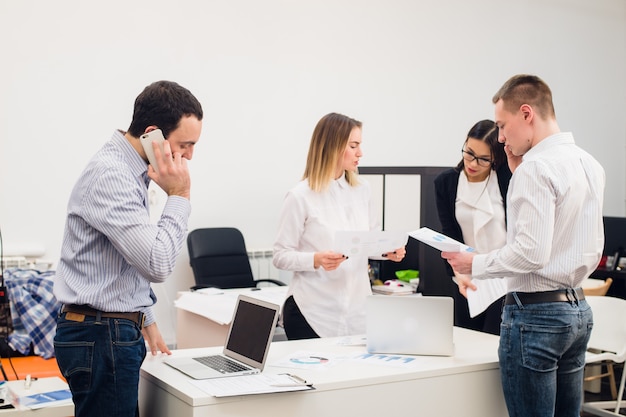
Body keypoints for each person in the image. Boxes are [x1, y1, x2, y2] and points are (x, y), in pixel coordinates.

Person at [442, 74, 605, 417]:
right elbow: (592, 248)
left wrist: (474, 264)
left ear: (526, 113)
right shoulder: (590, 164)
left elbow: (531, 253)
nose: (500, 136)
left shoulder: (537, 167)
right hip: (577, 310)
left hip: (536, 316)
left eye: (502, 125)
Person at [53, 80, 203, 417]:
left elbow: (121, 261)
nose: (190, 155)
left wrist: (145, 318)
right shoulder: (114, 177)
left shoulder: (129, 172)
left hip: (105, 330)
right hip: (102, 334)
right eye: (186, 144)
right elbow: (158, 263)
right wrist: (179, 196)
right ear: (152, 134)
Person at [273, 112, 406, 340]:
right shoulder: (300, 196)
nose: (360, 153)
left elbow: (368, 242)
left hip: (356, 314)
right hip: (312, 313)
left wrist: (387, 250)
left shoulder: (362, 190)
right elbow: (280, 255)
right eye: (353, 146)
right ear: (333, 146)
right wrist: (316, 259)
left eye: (360, 145)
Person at [434, 119, 511, 335]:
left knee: (494, 344)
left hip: (504, 278)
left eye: (483, 159)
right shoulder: (446, 183)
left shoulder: (507, 179)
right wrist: (460, 275)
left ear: (496, 158)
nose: (473, 163)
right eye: (469, 153)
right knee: (469, 342)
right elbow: (449, 235)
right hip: (466, 276)